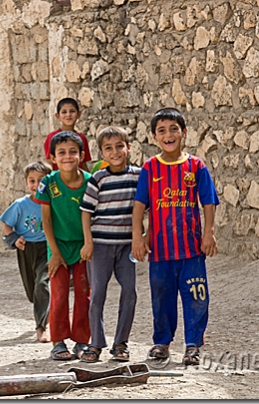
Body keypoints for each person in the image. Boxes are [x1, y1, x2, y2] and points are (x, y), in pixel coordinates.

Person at [131, 108, 219, 366]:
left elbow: (209, 202)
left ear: (184, 132)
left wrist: (209, 233)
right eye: (161, 130)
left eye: (173, 129)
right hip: (160, 251)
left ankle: (193, 345)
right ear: (154, 136)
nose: (168, 135)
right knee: (161, 298)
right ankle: (162, 342)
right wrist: (139, 236)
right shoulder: (150, 168)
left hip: (191, 250)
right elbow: (139, 205)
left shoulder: (196, 166)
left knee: (196, 296)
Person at [79, 126, 141, 363]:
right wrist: (88, 242)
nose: (115, 152)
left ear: (128, 148)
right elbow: (86, 212)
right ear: (101, 154)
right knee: (98, 294)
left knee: (130, 291)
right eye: (108, 148)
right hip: (101, 245)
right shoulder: (98, 178)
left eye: (119, 146)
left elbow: (144, 207)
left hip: (126, 246)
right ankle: (95, 343)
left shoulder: (138, 175)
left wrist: (141, 238)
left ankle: (121, 343)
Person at [34, 131, 91, 361]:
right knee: (58, 294)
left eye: (72, 152)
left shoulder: (89, 181)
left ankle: (81, 341)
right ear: (52, 158)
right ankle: (58, 341)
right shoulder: (48, 183)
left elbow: (92, 216)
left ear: (82, 154)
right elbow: (46, 220)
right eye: (61, 153)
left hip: (83, 246)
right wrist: (55, 253)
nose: (67, 157)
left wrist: (89, 244)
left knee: (83, 293)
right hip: (57, 247)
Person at [0, 161, 52, 343]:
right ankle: (45, 308)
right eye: (32, 181)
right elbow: (7, 225)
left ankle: (41, 328)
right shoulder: (20, 205)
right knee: (32, 291)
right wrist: (15, 238)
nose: (36, 185)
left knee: (41, 284)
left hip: (46, 247)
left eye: (41, 181)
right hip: (26, 249)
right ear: (26, 183)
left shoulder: (52, 203)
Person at [44, 98, 92, 171]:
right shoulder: (52, 137)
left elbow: (83, 164)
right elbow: (49, 163)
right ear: (57, 116)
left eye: (72, 111)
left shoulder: (81, 138)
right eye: (64, 112)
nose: (68, 115)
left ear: (79, 114)